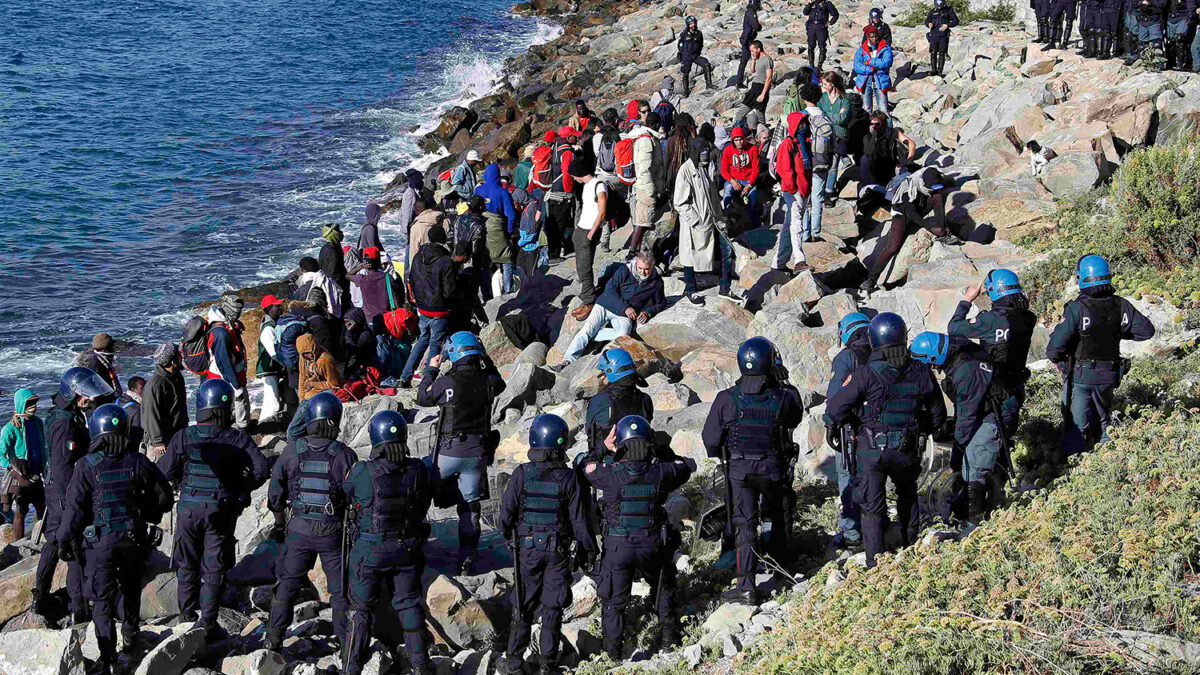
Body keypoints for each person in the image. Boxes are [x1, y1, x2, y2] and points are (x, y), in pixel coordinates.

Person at [825, 313, 948, 568]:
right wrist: (919, 431)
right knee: (907, 494)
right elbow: (938, 414)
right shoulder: (921, 370)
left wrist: (844, 421)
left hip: (873, 451)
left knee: (872, 507)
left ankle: (875, 563)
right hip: (907, 448)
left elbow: (836, 407)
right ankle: (910, 546)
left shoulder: (866, 373)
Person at [58, 403, 172, 674]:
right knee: (131, 591)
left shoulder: (86, 465)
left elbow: (74, 510)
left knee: (101, 601)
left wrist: (63, 541)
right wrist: (147, 515)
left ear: (95, 430)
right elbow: (165, 498)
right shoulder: (137, 460)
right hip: (133, 539)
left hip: (99, 545)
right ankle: (131, 644)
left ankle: (107, 658)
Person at [157, 379, 269, 635]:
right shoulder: (237, 438)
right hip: (221, 509)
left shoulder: (184, 437)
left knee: (186, 564)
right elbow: (261, 470)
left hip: (188, 509)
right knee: (214, 566)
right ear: (227, 407)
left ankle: (186, 617)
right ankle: (207, 622)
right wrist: (241, 489)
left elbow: (164, 472)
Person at [702, 337, 804, 604]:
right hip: (772, 468)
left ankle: (746, 586)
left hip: (740, 472)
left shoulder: (727, 398)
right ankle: (783, 573)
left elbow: (710, 439)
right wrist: (782, 380)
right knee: (779, 516)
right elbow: (795, 418)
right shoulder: (782, 397)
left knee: (744, 525)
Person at [585, 415, 695, 659]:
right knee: (663, 589)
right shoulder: (662, 472)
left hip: (618, 547)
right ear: (648, 443)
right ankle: (669, 641)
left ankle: (612, 656)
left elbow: (584, 466)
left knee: (614, 603)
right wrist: (660, 449)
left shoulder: (609, 474)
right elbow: (686, 465)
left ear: (621, 444)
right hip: (652, 544)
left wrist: (603, 447)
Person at [497, 414, 597, 675]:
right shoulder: (569, 478)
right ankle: (547, 666)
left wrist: (510, 537)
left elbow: (505, 516)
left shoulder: (521, 474)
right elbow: (580, 522)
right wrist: (588, 551)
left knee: (523, 606)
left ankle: (514, 663)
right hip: (557, 551)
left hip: (527, 550)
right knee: (552, 609)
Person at [342, 410, 435, 674]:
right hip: (406, 548)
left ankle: (351, 668)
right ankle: (421, 665)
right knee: (408, 603)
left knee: (360, 610)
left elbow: (346, 493)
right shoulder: (418, 469)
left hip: (369, 550)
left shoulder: (362, 470)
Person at [265, 392, 357, 651]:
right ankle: (345, 645)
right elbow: (355, 496)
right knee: (339, 591)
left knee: (287, 585)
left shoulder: (292, 450)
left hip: (299, 528)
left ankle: (273, 638)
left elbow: (276, 495)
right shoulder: (345, 454)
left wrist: (280, 524)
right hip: (332, 531)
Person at [415, 332, 505, 575]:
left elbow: (422, 397)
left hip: (447, 454)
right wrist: (486, 357)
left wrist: (431, 371)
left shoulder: (446, 382)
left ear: (454, 354)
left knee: (420, 486)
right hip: (476, 455)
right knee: (470, 507)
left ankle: (415, 541)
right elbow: (500, 382)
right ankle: (467, 558)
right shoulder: (488, 381)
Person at [1046, 255, 1155, 454]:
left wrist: (1061, 363)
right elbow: (1147, 331)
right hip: (1109, 376)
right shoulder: (1121, 305)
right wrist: (1116, 331)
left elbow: (1053, 350)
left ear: (1081, 278)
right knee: (1104, 423)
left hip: (1081, 377)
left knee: (1076, 428)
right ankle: (1107, 458)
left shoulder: (1077, 308)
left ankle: (1075, 470)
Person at [33, 366, 112, 624]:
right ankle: (78, 610)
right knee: (71, 546)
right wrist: (73, 500)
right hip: (64, 492)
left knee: (56, 542)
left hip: (60, 489)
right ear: (74, 394)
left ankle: (42, 595)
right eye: (86, 396)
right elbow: (63, 466)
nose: (90, 400)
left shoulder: (67, 414)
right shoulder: (65, 424)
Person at [909, 332, 1003, 529]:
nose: (930, 368)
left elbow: (968, 416)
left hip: (990, 414)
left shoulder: (966, 372)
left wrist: (958, 449)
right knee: (968, 462)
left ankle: (974, 521)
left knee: (974, 464)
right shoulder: (956, 347)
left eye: (928, 363)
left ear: (933, 357)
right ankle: (967, 509)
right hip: (978, 407)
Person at [948, 269, 1037, 450]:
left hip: (991, 391)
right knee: (1005, 440)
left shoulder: (990, 320)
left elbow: (954, 328)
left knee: (985, 445)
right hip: (1015, 387)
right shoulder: (1028, 318)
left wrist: (967, 299)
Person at [550, 252, 667, 371]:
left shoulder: (656, 282)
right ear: (636, 263)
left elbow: (660, 303)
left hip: (624, 315)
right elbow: (609, 290)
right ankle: (567, 361)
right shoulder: (624, 270)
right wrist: (625, 307)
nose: (643, 272)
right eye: (640, 268)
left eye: (647, 269)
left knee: (622, 336)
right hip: (605, 305)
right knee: (585, 332)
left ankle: (592, 335)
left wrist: (648, 312)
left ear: (652, 267)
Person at [861, 166, 961, 297]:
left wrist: (940, 228)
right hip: (902, 211)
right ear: (924, 184)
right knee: (893, 246)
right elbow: (913, 215)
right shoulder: (907, 190)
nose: (934, 190)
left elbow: (941, 188)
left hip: (919, 205)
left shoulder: (934, 178)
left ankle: (942, 231)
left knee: (937, 196)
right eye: (931, 188)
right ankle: (871, 279)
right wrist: (931, 229)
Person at [821, 314, 871, 551]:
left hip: (851, 428)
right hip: (879, 427)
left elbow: (835, 398)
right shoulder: (883, 351)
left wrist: (829, 423)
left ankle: (852, 534)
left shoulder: (846, 358)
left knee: (848, 478)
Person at [676, 138, 745, 306]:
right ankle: (691, 290)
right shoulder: (686, 171)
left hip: (715, 218)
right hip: (697, 223)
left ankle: (725, 288)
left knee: (726, 250)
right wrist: (696, 220)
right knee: (690, 255)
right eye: (702, 151)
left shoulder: (708, 166)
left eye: (706, 150)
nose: (705, 154)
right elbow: (679, 202)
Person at [402, 224, 457, 388]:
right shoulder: (445, 261)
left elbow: (411, 279)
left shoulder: (418, 256)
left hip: (422, 307)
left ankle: (405, 376)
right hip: (439, 309)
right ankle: (428, 380)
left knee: (422, 339)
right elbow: (449, 290)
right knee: (435, 343)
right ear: (443, 239)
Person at [584, 349, 654, 460]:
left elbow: (589, 430)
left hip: (609, 463)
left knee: (579, 459)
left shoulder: (599, 400)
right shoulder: (646, 399)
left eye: (604, 372)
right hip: (642, 460)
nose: (602, 377)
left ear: (612, 371)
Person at [1, 389, 45, 542]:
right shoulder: (10, 428)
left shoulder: (38, 422)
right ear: (21, 405)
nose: (34, 406)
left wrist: (45, 470)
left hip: (36, 474)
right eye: (29, 403)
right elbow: (1, 455)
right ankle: (18, 546)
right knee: (21, 511)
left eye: (34, 402)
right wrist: (15, 473)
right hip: (21, 475)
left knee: (43, 507)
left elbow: (42, 447)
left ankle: (44, 540)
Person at [774, 111, 814, 275]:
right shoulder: (788, 144)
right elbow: (784, 168)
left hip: (802, 190)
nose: (804, 126)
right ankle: (799, 260)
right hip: (794, 191)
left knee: (789, 226)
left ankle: (778, 263)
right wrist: (793, 189)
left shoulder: (804, 143)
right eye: (801, 123)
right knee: (797, 224)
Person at [206, 295, 251, 430]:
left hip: (227, 374)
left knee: (228, 407)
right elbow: (223, 362)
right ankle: (242, 430)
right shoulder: (220, 332)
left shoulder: (224, 325)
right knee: (237, 401)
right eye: (236, 311)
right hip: (225, 376)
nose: (238, 314)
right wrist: (236, 385)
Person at [572, 155, 608, 320]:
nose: (573, 178)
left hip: (588, 232)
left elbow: (602, 213)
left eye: (573, 174)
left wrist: (591, 234)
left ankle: (589, 301)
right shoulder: (587, 185)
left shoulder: (599, 186)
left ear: (579, 172)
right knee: (581, 268)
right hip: (581, 230)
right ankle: (586, 296)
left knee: (585, 268)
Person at [475, 163, 519, 296]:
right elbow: (511, 215)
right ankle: (507, 291)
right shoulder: (502, 192)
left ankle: (486, 293)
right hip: (498, 228)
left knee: (485, 262)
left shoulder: (478, 190)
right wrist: (509, 232)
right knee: (506, 259)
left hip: (482, 228)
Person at [626, 111, 665, 257]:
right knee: (643, 222)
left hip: (645, 186)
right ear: (656, 125)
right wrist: (651, 190)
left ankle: (637, 250)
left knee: (644, 220)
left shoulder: (646, 138)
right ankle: (632, 252)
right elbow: (644, 168)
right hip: (645, 187)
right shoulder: (646, 141)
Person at [143, 343, 189, 461]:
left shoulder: (177, 376)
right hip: (160, 444)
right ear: (172, 361)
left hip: (177, 436)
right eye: (178, 353)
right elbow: (150, 415)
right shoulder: (156, 384)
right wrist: (158, 442)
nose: (181, 355)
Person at [801, 83, 834, 244]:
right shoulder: (825, 116)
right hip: (822, 162)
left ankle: (805, 234)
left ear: (804, 98)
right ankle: (815, 232)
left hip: (804, 163)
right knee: (817, 198)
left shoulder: (800, 116)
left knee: (804, 199)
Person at [546, 127, 580, 261]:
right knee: (561, 224)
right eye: (574, 136)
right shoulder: (567, 152)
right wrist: (568, 192)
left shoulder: (555, 147)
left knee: (556, 224)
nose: (576, 138)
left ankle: (559, 250)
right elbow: (566, 173)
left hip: (553, 191)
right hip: (562, 194)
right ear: (568, 138)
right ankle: (554, 255)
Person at [818, 72, 851, 209]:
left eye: (825, 84)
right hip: (824, 135)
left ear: (832, 84)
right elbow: (820, 115)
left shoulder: (845, 100)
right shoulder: (822, 98)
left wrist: (827, 115)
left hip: (838, 136)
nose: (823, 86)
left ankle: (828, 193)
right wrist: (834, 115)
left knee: (833, 165)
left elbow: (843, 119)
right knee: (822, 165)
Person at [858, 112, 917, 186]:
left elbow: (911, 143)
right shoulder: (868, 136)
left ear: (883, 123)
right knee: (864, 159)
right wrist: (874, 135)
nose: (873, 126)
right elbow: (868, 152)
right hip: (874, 166)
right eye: (872, 124)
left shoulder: (892, 132)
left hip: (890, 164)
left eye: (877, 124)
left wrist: (909, 159)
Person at [255, 295, 288, 425]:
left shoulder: (271, 324)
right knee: (272, 400)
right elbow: (273, 353)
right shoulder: (268, 328)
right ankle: (266, 426)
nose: (280, 308)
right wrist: (285, 364)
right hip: (269, 368)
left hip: (271, 368)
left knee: (272, 398)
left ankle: (265, 424)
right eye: (277, 306)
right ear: (269, 309)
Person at [350, 247, 403, 326]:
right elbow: (396, 301)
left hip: (371, 320)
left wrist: (361, 266)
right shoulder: (388, 278)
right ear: (379, 262)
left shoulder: (362, 279)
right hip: (387, 319)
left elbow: (348, 275)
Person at [721, 127, 761, 228]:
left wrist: (749, 185)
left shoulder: (753, 149)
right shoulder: (727, 150)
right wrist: (733, 181)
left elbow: (756, 170)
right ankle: (727, 220)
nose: (739, 142)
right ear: (733, 141)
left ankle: (754, 225)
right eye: (736, 140)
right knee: (727, 195)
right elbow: (724, 171)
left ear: (744, 138)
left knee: (753, 199)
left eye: (741, 139)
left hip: (748, 179)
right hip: (733, 178)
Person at [855, 27, 894, 112]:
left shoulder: (885, 47)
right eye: (872, 37)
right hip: (865, 81)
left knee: (883, 108)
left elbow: (887, 62)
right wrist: (872, 69)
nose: (875, 39)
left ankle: (887, 125)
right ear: (868, 37)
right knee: (866, 108)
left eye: (876, 36)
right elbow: (857, 66)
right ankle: (868, 125)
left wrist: (869, 62)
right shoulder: (862, 49)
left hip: (880, 80)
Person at [677, 16, 715, 97]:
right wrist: (681, 54)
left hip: (695, 55)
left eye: (694, 22)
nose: (693, 25)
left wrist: (698, 52)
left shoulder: (699, 33)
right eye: (691, 23)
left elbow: (701, 44)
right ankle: (686, 92)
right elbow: (680, 44)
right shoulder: (684, 34)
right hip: (686, 56)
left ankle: (709, 85)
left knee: (706, 64)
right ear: (688, 25)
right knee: (685, 73)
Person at [297, 332, 341, 401]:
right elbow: (302, 377)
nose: (310, 355)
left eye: (311, 351)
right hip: (309, 394)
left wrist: (313, 384)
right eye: (306, 353)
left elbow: (334, 384)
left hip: (324, 393)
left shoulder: (325, 360)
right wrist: (301, 398)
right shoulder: (303, 358)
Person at [319, 224, 351, 317]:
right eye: (338, 231)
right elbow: (334, 273)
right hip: (337, 287)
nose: (341, 233)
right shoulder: (333, 250)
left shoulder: (325, 247)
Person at [1125, 0, 1167, 65]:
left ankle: (1158, 62)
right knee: (1142, 43)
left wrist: (1150, 3)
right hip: (1142, 18)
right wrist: (1140, 3)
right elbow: (1132, 3)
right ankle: (1142, 60)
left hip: (1154, 18)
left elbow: (1163, 3)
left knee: (1156, 42)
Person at [925, 0, 961, 76]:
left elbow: (956, 21)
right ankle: (933, 70)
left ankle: (940, 72)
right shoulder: (932, 11)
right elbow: (927, 21)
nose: (939, 7)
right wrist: (929, 24)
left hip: (943, 35)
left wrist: (947, 25)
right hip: (934, 34)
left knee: (942, 53)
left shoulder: (949, 10)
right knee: (933, 52)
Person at [741, 41, 775, 117]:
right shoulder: (757, 58)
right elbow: (752, 71)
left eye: (752, 50)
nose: (751, 52)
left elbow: (769, 78)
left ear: (758, 49)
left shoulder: (767, 59)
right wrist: (753, 60)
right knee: (741, 112)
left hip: (761, 88)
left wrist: (763, 94)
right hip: (754, 87)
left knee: (760, 114)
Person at [804, 0, 840, 71]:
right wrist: (809, 4)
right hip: (811, 28)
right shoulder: (812, 3)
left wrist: (830, 22)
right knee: (811, 46)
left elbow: (835, 14)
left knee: (822, 47)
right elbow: (805, 12)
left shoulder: (827, 4)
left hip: (821, 28)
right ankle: (811, 65)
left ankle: (819, 65)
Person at [736, 0, 763, 89]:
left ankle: (759, 75)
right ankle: (739, 82)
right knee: (744, 60)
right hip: (746, 40)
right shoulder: (750, 12)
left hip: (749, 39)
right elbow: (756, 26)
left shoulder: (751, 11)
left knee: (756, 56)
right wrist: (759, 27)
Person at [343, 308, 377, 376]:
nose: (347, 324)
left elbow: (356, 347)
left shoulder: (366, 333)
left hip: (365, 362)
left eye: (349, 322)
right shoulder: (351, 328)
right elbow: (348, 338)